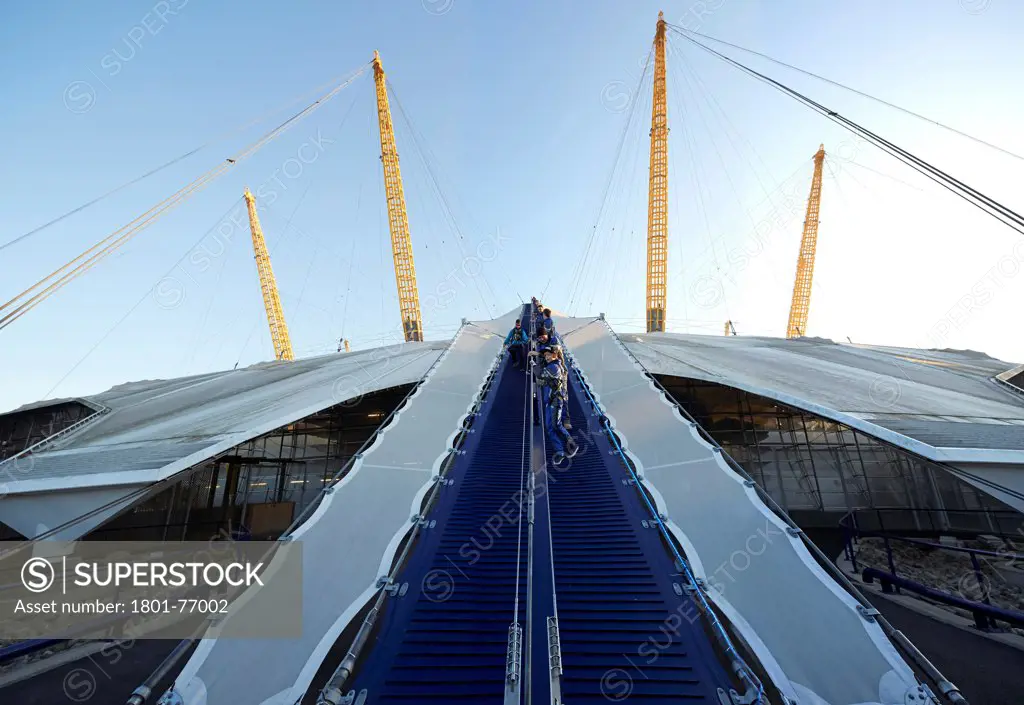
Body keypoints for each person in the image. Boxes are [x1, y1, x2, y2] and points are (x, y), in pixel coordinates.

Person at [535, 345, 577, 466]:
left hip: (556, 400)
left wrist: (535, 361)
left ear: (555, 355)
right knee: (550, 427)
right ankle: (560, 451)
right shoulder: (551, 366)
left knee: (556, 425)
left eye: (548, 355)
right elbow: (542, 382)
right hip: (549, 400)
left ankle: (572, 445)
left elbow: (539, 375)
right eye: (545, 355)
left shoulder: (554, 367)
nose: (546, 357)